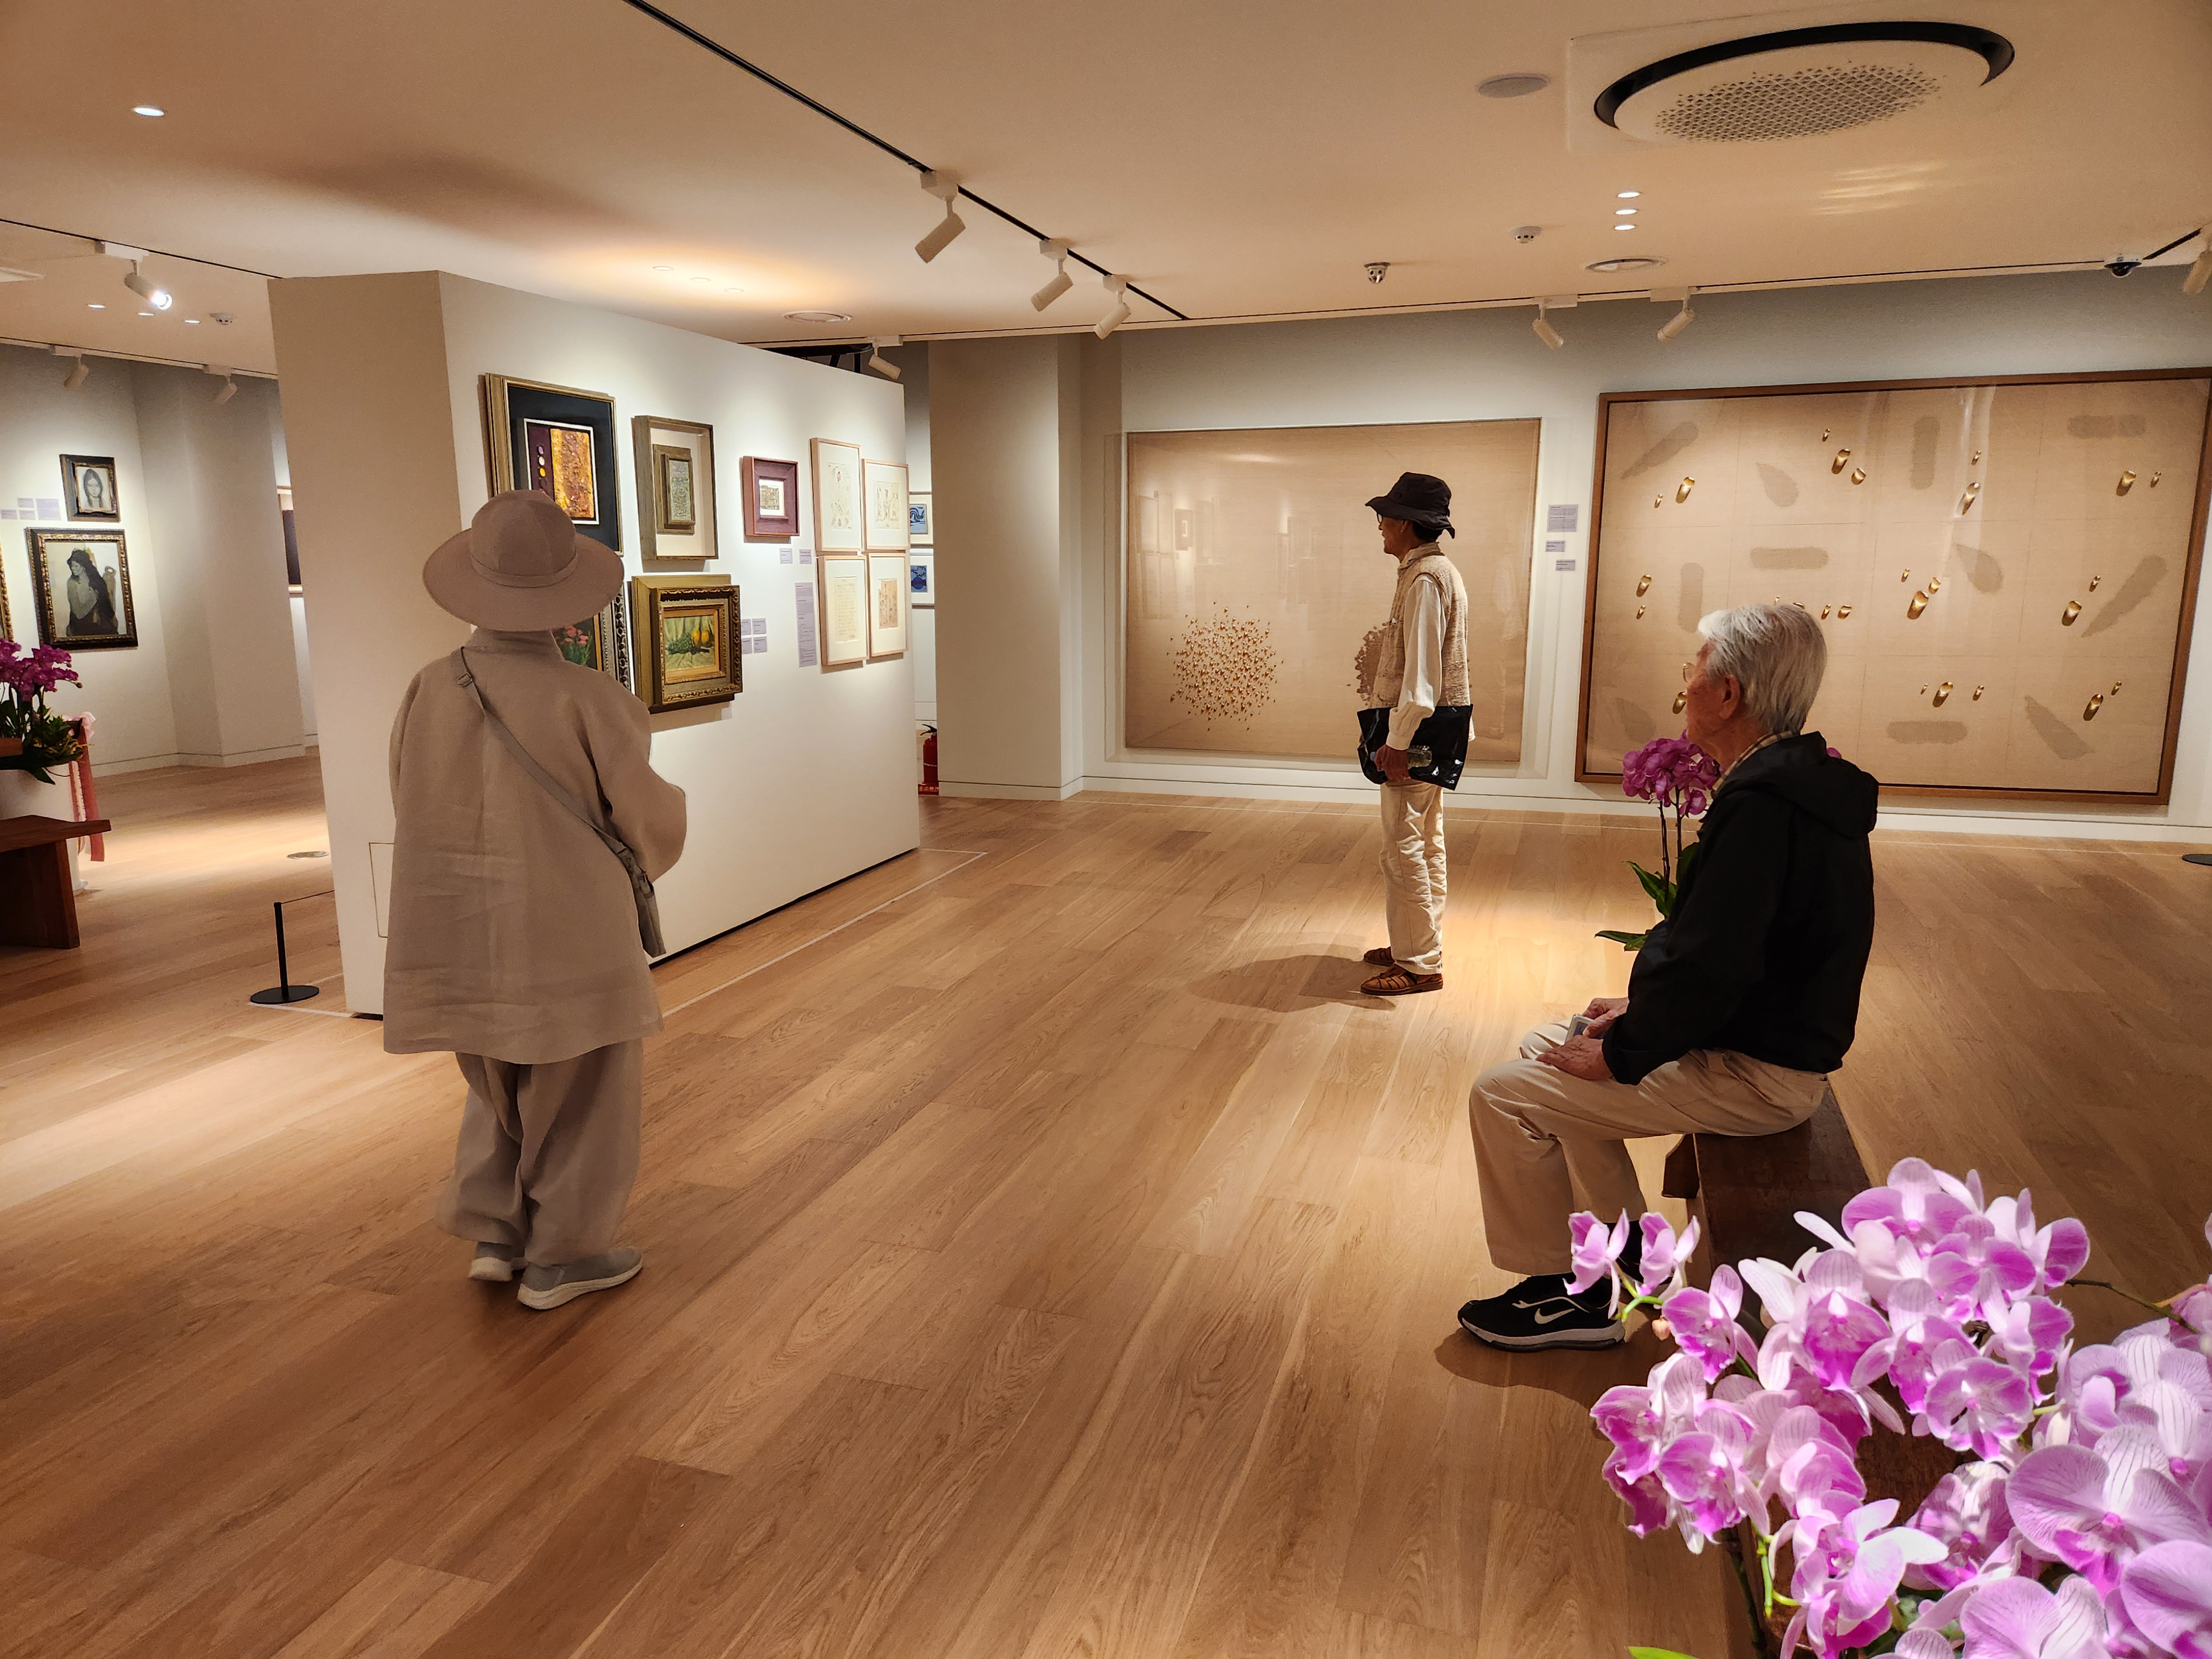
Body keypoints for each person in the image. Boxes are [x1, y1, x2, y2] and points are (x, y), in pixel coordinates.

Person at [1457, 601, 1876, 1349]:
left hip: (1761, 1075)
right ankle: (1626, 1269)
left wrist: (1627, 1050)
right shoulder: (1793, 785)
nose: (1685, 681)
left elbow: (1715, 963)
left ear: (1729, 693)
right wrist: (1636, 1013)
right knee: (1548, 1046)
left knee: (1501, 1095)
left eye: (1696, 667)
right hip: (1758, 1040)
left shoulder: (1763, 809)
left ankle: (1579, 1296)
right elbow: (1733, 953)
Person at [384, 490, 687, 1311]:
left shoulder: (428, 688)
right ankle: (565, 1255)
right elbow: (645, 821)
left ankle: (496, 1233)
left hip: (458, 919)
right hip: (570, 924)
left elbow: (408, 801)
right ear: (568, 594)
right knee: (584, 1090)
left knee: (495, 1076)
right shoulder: (590, 698)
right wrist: (670, 821)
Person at [1354, 472, 1470, 997]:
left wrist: (1396, 743)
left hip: (1418, 731)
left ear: (1404, 523)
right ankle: (1415, 942)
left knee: (1404, 848)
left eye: (1385, 517)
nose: (1380, 526)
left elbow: (1422, 684)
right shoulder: (1437, 572)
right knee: (1426, 842)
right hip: (1436, 727)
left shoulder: (1424, 580)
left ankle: (1420, 963)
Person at [63, 549, 120, 637]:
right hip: (80, 624)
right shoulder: (72, 582)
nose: (73, 568)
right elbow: (79, 612)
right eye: (72, 565)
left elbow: (106, 603)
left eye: (76, 566)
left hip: (99, 621)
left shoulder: (95, 580)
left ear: (84, 566)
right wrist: (94, 597)